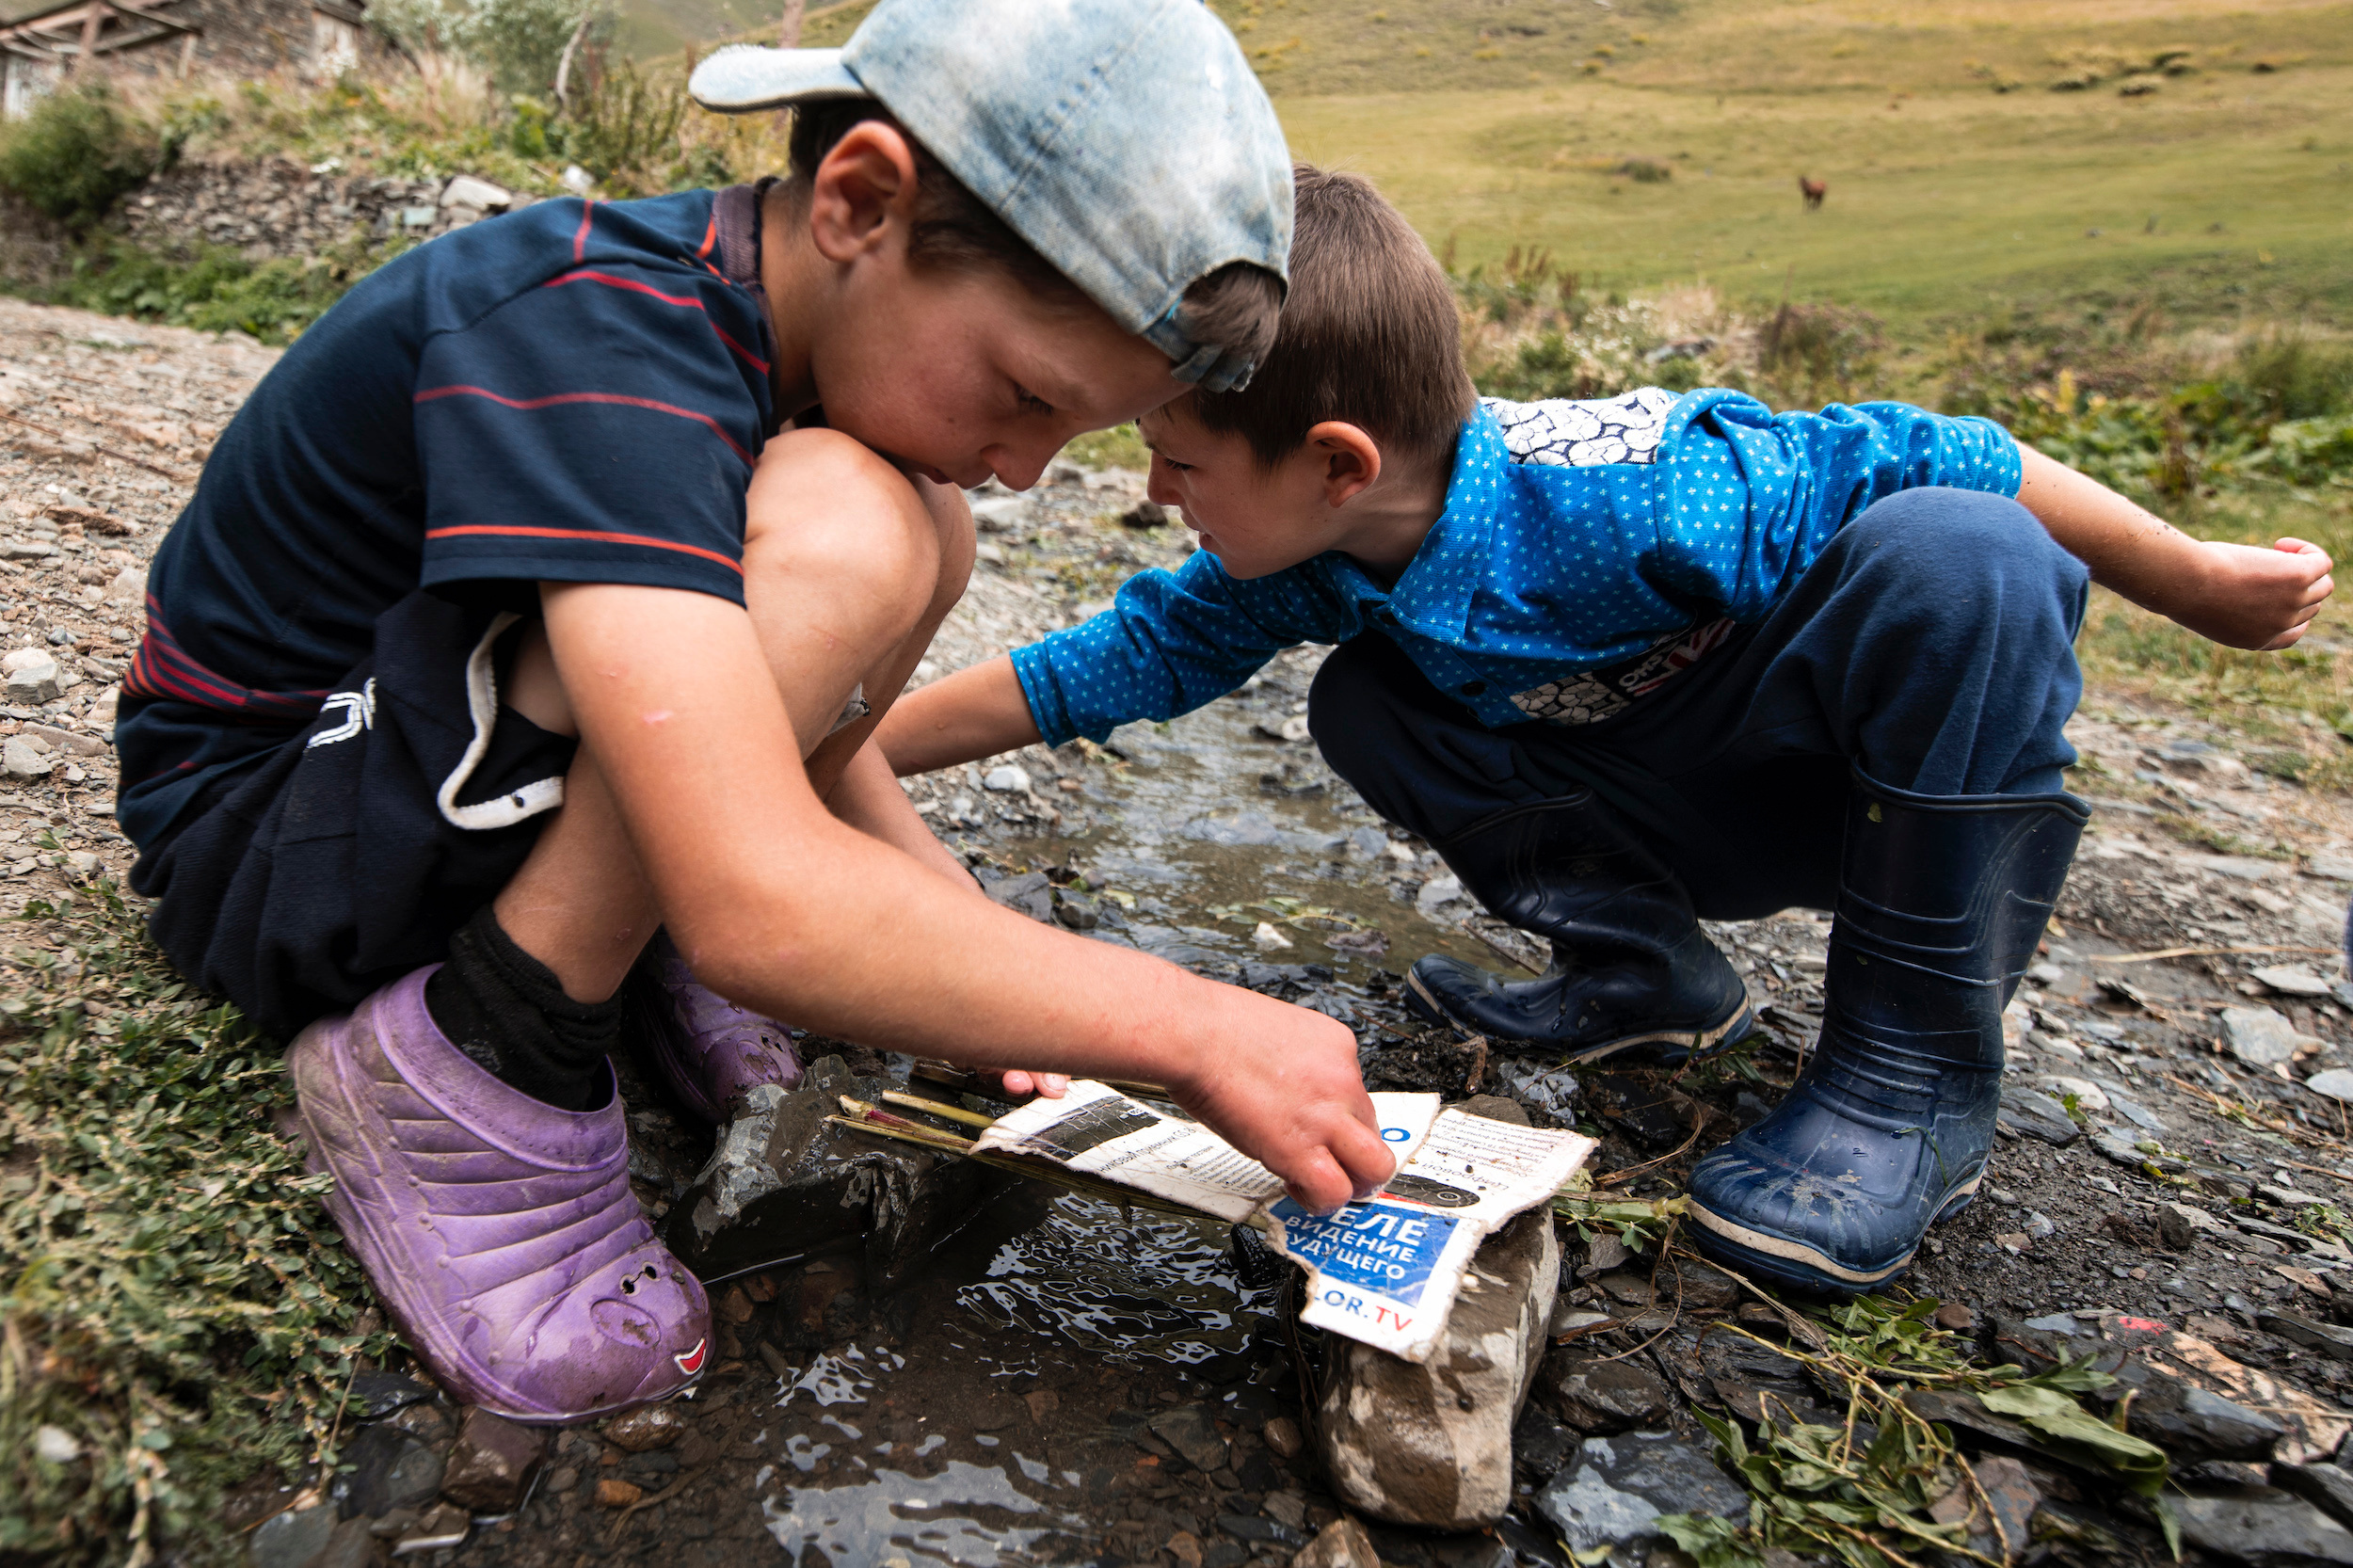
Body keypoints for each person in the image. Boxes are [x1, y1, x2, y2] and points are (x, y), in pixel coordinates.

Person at [113, 0, 1399, 1424]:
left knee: (921, 522)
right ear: (860, 201)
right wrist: (1189, 1027)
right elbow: (755, 904)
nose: (1026, 467)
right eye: (1027, 396)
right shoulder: (599, 331)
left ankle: (618, 925)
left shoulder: (745, 323)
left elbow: (784, 740)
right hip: (268, 836)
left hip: (425, 770)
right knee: (856, 522)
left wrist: (975, 942)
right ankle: (481, 1046)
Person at [877, 167, 2335, 1296]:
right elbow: (1107, 663)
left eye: (1178, 461)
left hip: (1864, 791)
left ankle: (1913, 1077)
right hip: (1670, 797)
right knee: (1364, 698)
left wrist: (2197, 585)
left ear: (1336, 462)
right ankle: (1652, 977)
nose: (1155, 494)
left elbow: (1957, 451)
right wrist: (851, 746)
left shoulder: (1632, 489)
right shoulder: (1315, 557)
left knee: (1965, 552)